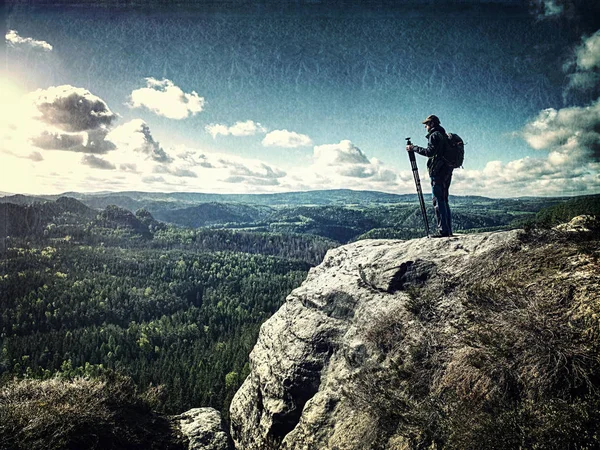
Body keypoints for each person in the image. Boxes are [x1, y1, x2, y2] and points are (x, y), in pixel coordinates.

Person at [406, 114, 453, 237]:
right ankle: (448, 230)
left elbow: (429, 152)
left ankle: (443, 231)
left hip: (437, 171)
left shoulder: (434, 135)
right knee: (444, 200)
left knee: (438, 200)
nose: (425, 127)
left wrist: (413, 148)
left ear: (432, 124)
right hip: (447, 170)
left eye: (426, 124)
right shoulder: (444, 135)